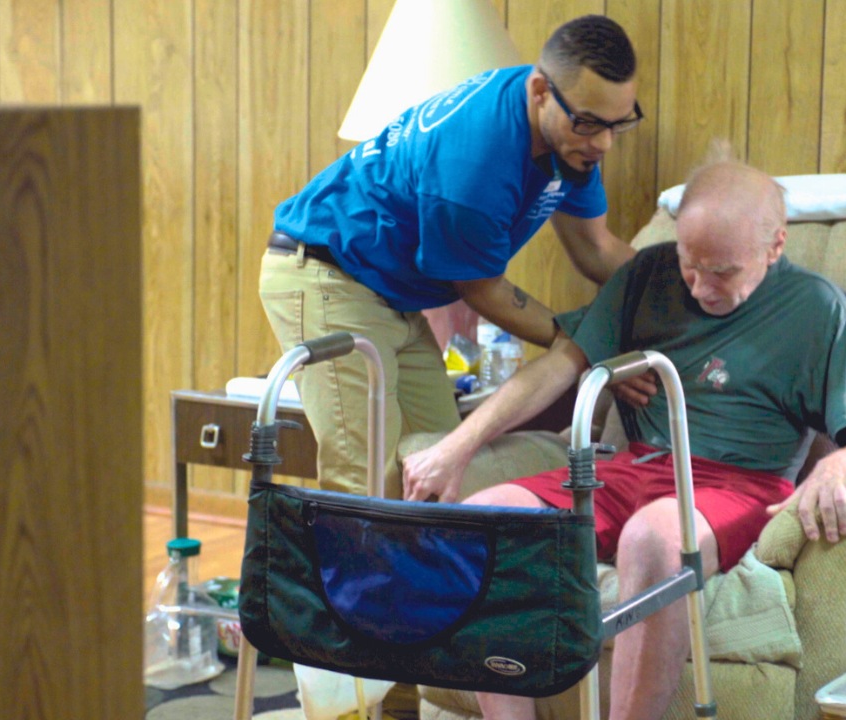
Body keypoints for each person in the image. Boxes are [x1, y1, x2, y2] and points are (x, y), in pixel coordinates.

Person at [401, 159, 846, 720]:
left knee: (651, 539)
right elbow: (556, 369)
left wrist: (840, 465)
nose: (699, 286)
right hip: (634, 467)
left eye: (721, 271)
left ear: (775, 247)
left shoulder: (818, 309)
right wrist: (458, 446)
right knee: (486, 520)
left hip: (737, 483)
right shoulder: (647, 274)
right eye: (688, 264)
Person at [259, 15, 642, 498]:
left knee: (441, 468)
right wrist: (582, 342)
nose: (603, 142)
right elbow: (482, 289)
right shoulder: (477, 160)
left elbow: (595, 248)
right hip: (327, 274)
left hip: (391, 294)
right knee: (366, 479)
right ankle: (355, 574)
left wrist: (673, 280)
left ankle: (425, 575)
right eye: (589, 123)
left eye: (617, 124)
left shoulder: (572, 140)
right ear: (541, 90)